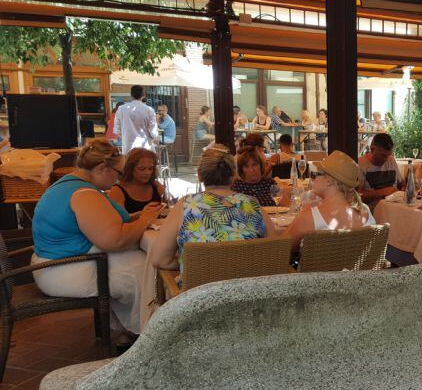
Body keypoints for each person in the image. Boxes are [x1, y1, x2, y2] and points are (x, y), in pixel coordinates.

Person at [32, 140, 162, 336]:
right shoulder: (84, 194)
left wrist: (138, 217)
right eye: (118, 173)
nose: (118, 180)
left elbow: (100, 223)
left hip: (53, 265)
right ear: (102, 168)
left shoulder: (67, 185)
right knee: (146, 268)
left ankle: (129, 331)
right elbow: (114, 240)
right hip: (61, 271)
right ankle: (149, 333)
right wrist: (145, 219)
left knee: (138, 263)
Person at [149, 144, 276, 273]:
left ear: (200, 175)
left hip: (200, 291)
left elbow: (159, 259)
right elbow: (275, 250)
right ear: (234, 175)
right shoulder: (252, 204)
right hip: (249, 290)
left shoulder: (186, 205)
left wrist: (190, 265)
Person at [284, 150, 376, 251]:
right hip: (360, 267)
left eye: (316, 174)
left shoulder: (309, 217)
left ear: (328, 181)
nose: (312, 179)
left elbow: (278, 249)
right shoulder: (365, 212)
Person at [108, 148, 165, 214]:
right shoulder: (118, 190)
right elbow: (116, 220)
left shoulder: (156, 186)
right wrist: (143, 214)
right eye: (141, 169)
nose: (147, 172)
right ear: (129, 169)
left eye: (150, 169)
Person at [357, 133, 404, 205]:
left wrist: (403, 190)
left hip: (393, 207)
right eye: (383, 155)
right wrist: (383, 192)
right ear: (372, 149)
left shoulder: (390, 160)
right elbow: (357, 194)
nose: (386, 159)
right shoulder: (361, 164)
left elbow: (401, 183)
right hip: (373, 210)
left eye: (389, 155)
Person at [113, 85, 158, 155]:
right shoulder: (149, 110)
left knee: (130, 165)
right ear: (143, 95)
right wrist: (154, 138)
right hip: (145, 146)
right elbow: (153, 132)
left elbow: (117, 130)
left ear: (131, 95)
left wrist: (125, 136)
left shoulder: (121, 109)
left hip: (128, 147)